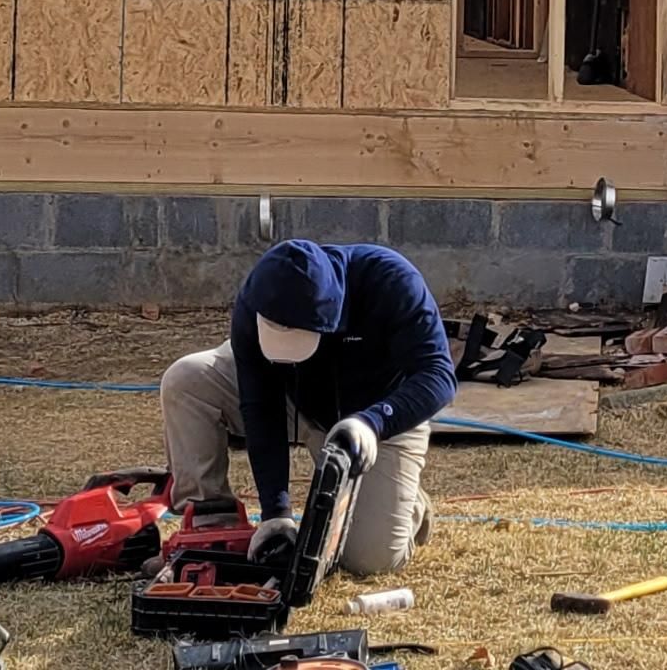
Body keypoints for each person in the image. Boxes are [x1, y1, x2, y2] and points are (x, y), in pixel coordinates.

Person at [159, 238, 456, 576]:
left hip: (380, 415)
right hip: (296, 399)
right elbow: (261, 404)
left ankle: (408, 502)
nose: (284, 347)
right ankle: (211, 523)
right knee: (187, 380)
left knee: (368, 560)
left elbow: (439, 375)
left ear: (331, 315)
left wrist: (373, 423)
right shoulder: (258, 297)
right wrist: (276, 513)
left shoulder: (391, 281)